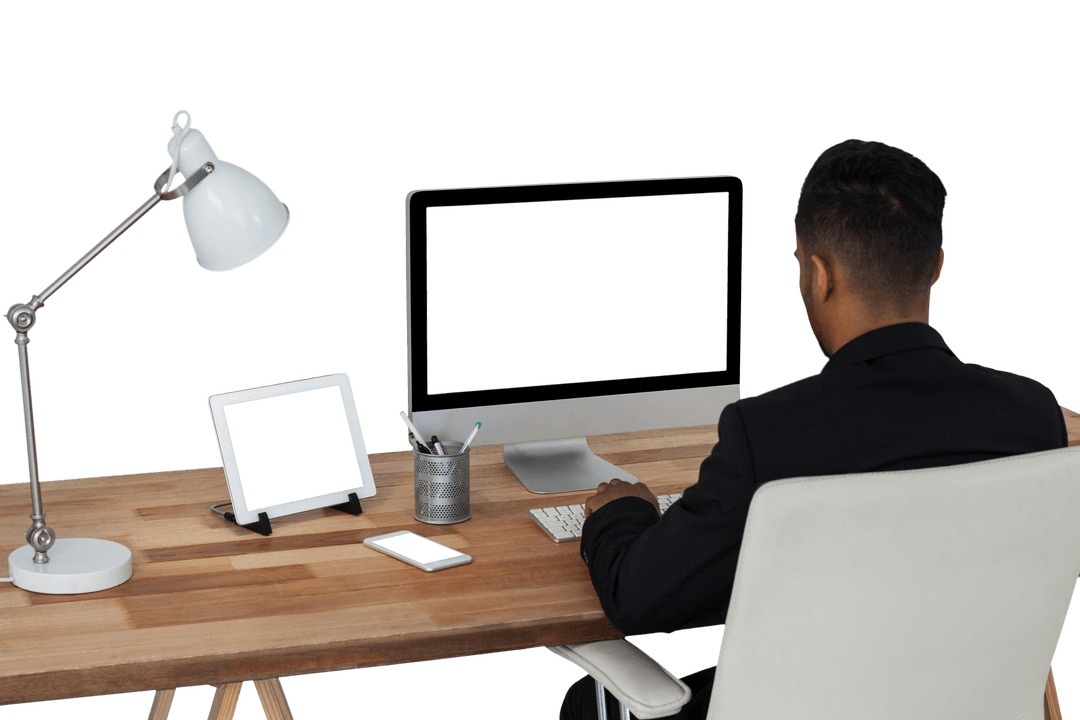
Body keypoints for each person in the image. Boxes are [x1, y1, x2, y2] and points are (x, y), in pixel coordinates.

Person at [559, 139, 1069, 720]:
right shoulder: (1033, 413)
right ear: (937, 265)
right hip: (963, 701)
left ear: (819, 274)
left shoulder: (769, 434)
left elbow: (636, 599)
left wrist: (621, 513)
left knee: (590, 704)